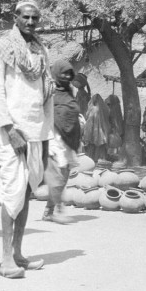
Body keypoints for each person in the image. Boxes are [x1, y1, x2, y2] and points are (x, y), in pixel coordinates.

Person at [0, 0, 53, 279]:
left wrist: (46, 135)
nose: (30, 22)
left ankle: (18, 254)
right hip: (12, 132)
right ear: (15, 17)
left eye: (35, 18)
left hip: (35, 131)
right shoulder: (3, 47)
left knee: (25, 193)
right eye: (26, 17)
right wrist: (10, 129)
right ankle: (5, 260)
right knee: (12, 194)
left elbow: (45, 94)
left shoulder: (40, 50)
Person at [42, 58, 81, 225]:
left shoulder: (70, 91)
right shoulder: (49, 90)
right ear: (56, 73)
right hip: (54, 136)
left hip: (69, 138)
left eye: (69, 73)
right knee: (57, 175)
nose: (66, 76)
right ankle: (59, 210)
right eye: (63, 73)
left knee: (64, 175)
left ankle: (48, 210)